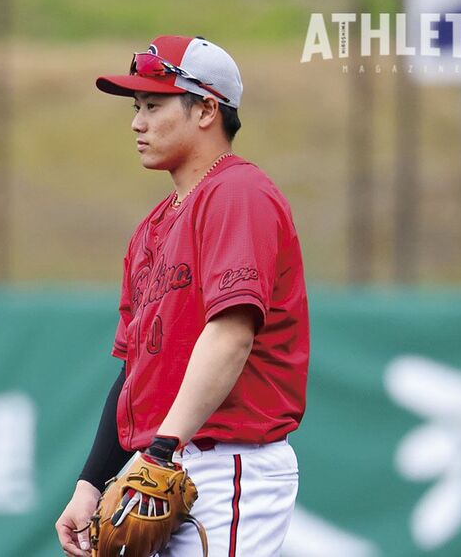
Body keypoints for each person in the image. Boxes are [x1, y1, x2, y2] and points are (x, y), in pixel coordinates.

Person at [55, 35, 309, 556]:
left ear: (207, 109)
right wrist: (90, 483)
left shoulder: (238, 194)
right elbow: (133, 372)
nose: (137, 122)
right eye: (136, 107)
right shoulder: (152, 228)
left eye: (154, 105)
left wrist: (161, 448)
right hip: (168, 459)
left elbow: (232, 333)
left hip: (227, 460)